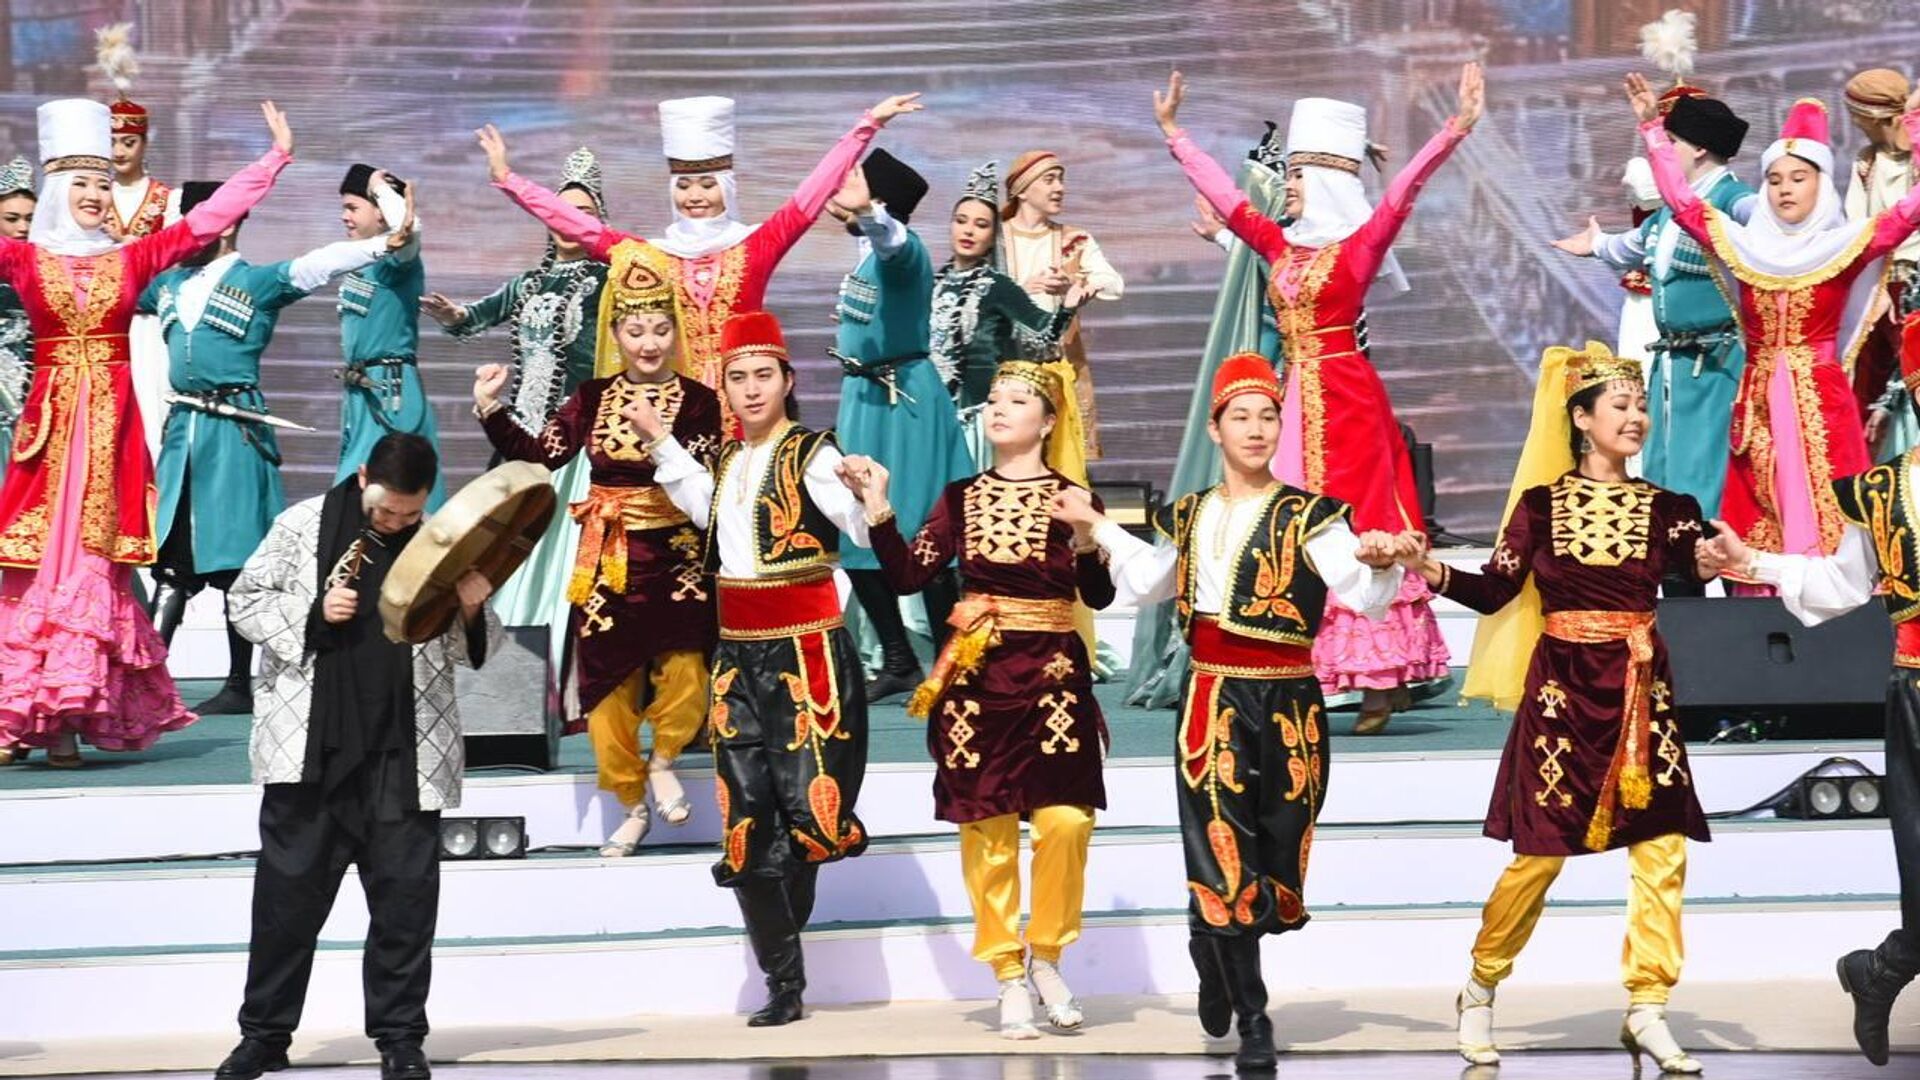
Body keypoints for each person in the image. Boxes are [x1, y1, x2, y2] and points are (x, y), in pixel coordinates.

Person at [1061, 353, 1405, 1071]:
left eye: (1267, 416)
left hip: (1289, 703)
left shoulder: (1310, 516)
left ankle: (1208, 946)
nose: (1255, 428)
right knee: (1221, 846)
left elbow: (1364, 595)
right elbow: (1148, 583)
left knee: (1277, 846)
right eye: (1240, 416)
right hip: (1212, 696)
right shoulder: (1191, 514)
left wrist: (1380, 562)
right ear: (1215, 430)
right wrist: (1098, 528)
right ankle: (1254, 1016)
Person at [1407, 342, 1713, 1072]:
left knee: (1662, 849)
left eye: (1640, 406)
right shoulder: (1540, 507)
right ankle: (1480, 987)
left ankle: (1648, 1005)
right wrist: (1428, 568)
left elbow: (1692, 574)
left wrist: (1710, 560)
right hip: (1562, 696)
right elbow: (1494, 590)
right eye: (1620, 406)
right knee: (1539, 858)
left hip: (1640, 692)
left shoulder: (1670, 510)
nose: (1636, 418)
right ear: (1581, 418)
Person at [1154, 66, 1481, 732]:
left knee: (1357, 524)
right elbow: (1230, 202)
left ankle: (1380, 680)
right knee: (1295, 527)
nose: (1289, 187)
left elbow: (1403, 193)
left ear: (1328, 181)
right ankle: (1310, 667)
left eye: (1298, 177)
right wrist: (1175, 136)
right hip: (1294, 399)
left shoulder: (1358, 248)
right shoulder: (1282, 246)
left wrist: (1454, 130)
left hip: (1347, 399)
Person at [0, 98, 291, 768]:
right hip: (48, 443)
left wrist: (271, 162)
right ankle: (20, 718)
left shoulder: (131, 260)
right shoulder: (25, 260)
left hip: (107, 443)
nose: (96, 195)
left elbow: (204, 223)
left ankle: (67, 720)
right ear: (55, 190)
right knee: (34, 570)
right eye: (82, 183)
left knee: (91, 569)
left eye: (103, 184)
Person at [217, 433, 500, 1080]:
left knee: (405, 908)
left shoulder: (443, 543)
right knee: (285, 906)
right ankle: (264, 1035)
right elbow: (244, 601)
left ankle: (400, 1038)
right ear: (365, 475)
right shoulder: (302, 524)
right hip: (311, 751)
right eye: (387, 509)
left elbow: (474, 652)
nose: (397, 522)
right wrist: (314, 611)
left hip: (405, 753)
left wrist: (472, 608)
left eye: (410, 512)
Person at [847, 360, 1112, 1040]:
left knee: (1065, 822)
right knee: (987, 829)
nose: (999, 408)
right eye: (993, 398)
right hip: (977, 681)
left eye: (1018, 400)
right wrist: (878, 503)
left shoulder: (1072, 497)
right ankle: (1005, 972)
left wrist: (1087, 536)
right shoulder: (961, 496)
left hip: (1053, 677)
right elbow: (909, 574)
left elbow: (1099, 595)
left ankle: (1047, 955)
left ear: (1048, 421)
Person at [648, 311, 873, 1026]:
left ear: (787, 380)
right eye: (737, 378)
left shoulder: (812, 453)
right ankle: (785, 981)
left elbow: (858, 523)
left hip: (807, 652)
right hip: (737, 655)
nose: (750, 389)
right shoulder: (727, 462)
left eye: (762, 376)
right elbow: (704, 509)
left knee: (810, 812)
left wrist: (868, 493)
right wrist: (660, 441)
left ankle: (784, 953)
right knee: (745, 818)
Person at [476, 241, 722, 857]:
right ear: (615, 333)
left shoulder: (699, 401)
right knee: (606, 687)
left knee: (687, 672)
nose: (649, 343)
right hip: (607, 555)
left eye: (661, 330)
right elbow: (542, 456)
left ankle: (663, 761)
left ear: (676, 332)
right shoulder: (591, 397)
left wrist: (659, 436)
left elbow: (704, 480)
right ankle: (632, 802)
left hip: (677, 557)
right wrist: (490, 410)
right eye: (636, 331)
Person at [480, 92, 923, 427]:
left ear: (726, 188)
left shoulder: (755, 245)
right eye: (685, 186)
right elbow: (579, 226)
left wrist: (867, 126)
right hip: (674, 412)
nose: (695, 196)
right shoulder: (651, 254)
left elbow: (810, 193)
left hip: (748, 406)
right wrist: (509, 180)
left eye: (707, 185)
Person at [140, 178, 412, 715]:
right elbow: (112, 282)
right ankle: (145, 685)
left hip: (235, 435)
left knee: (237, 563)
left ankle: (239, 683)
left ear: (228, 224)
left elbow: (319, 264)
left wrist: (385, 242)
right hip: (184, 436)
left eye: (199, 223)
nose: (187, 235)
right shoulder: (166, 285)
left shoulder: (257, 283)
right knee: (172, 563)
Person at [1631, 73, 1920, 573]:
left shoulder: (1843, 245)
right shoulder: (1744, 245)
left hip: (1821, 401)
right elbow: (1682, 203)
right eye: (1775, 179)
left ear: (1821, 183)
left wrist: (1914, 131)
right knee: (1756, 514)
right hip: (1757, 399)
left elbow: (1908, 214)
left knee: (1832, 514)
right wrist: (1652, 131)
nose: (1785, 189)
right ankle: (1757, 602)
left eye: (1798, 178)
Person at [1696, 441, 1920, 1068]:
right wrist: (1749, 561)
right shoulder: (1882, 492)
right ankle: (1887, 965)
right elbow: (1840, 584)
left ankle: (1885, 966)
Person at [1552, 90, 1753, 594]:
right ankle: (1684, 616)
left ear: (1699, 149)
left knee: (1715, 491)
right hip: (1674, 374)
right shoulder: (1668, 213)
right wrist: (1595, 245)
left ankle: (1740, 610)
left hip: (1719, 368)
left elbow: (1768, 225)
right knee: (1670, 495)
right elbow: (1630, 247)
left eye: (1671, 143)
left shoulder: (1733, 200)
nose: (1661, 155)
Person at [424, 147, 609, 685]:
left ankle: (571, 661)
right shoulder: (528, 283)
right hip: (518, 440)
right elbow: (473, 319)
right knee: (504, 548)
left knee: (566, 553)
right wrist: (452, 314)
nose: (568, 221)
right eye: (559, 211)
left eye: (582, 212)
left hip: (575, 442)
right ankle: (509, 665)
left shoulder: (611, 280)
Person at [826, 149, 971, 700]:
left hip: (904, 401)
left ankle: (949, 659)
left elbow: (892, 241)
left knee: (922, 527)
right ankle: (898, 656)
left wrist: (870, 214)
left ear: (878, 200)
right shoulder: (864, 257)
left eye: (856, 182)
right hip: (864, 396)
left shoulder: (904, 253)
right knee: (857, 526)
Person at [932, 162, 1085, 468]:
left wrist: (1067, 307)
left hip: (977, 418)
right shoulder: (932, 283)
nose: (968, 230)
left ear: (993, 237)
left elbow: (1045, 335)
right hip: (934, 413)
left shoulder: (998, 286)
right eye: (961, 221)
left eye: (981, 225)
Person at [1001, 150, 1125, 459]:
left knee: (1058, 459)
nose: (1060, 188)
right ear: (1022, 190)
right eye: (1049, 180)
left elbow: (1114, 284)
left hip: (1058, 366)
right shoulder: (996, 239)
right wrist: (1019, 291)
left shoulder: (1074, 240)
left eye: (1061, 180)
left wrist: (1075, 286)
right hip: (1004, 366)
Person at [334, 163, 444, 509]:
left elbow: (408, 232)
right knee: (356, 496)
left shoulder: (397, 262)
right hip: (362, 394)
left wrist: (379, 187)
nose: (345, 217)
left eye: (353, 207)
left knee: (393, 488)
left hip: (389, 393)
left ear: (380, 213)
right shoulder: (363, 261)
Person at [95, 22, 176, 464]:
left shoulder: (165, 199)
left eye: (128, 142)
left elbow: (172, 265)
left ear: (144, 142)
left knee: (152, 417)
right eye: (112, 143)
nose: (120, 151)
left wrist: (128, 243)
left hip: (149, 326)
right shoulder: (93, 198)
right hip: (106, 321)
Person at [1844, 69, 1920, 459]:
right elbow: (1857, 228)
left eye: (1857, 115)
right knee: (1867, 389)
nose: (1854, 123)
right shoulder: (1866, 163)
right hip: (1879, 288)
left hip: (1915, 288)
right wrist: (1874, 286)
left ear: (1871, 116)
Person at [0, 156, 35, 472]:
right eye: (12, 219)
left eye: (29, 218)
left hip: (32, 382)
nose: (22, 227)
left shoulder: (44, 265)